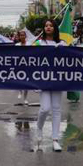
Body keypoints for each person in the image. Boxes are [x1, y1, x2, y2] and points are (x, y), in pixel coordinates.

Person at [35, 19, 65, 152]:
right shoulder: (38, 43)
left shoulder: (62, 43)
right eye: (46, 25)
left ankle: (55, 140)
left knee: (56, 109)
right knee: (45, 108)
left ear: (55, 28)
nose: (48, 27)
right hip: (43, 79)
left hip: (58, 79)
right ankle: (39, 127)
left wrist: (62, 49)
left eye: (51, 26)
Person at [15, 30, 30, 105]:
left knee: (26, 82)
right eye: (21, 35)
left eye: (23, 35)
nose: (22, 36)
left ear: (25, 36)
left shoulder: (29, 44)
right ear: (19, 37)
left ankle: (25, 98)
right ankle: (20, 91)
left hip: (27, 65)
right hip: (19, 65)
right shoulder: (17, 45)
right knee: (19, 80)